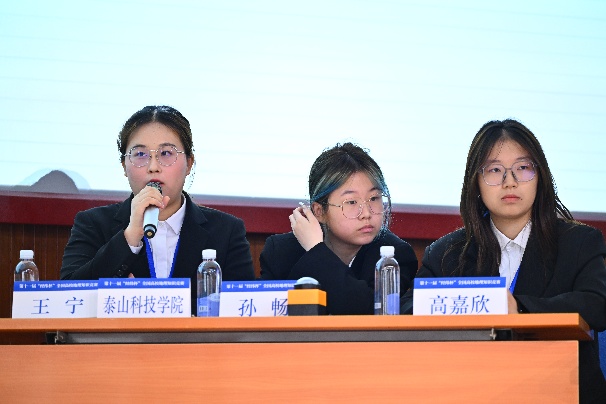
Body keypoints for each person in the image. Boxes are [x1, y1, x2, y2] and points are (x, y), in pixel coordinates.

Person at [401, 119, 606, 402]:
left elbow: (597, 304)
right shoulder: (446, 252)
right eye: (495, 170)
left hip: (560, 390)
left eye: (522, 168)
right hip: (472, 389)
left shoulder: (579, 242)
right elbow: (408, 310)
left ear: (540, 177)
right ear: (475, 182)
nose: (510, 181)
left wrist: (518, 308)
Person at [61, 105, 255, 312]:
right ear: (124, 166)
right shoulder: (92, 224)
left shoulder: (226, 231)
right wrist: (129, 238)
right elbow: (69, 299)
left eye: (166, 153)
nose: (153, 166)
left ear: (189, 163)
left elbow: (242, 310)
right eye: (140, 154)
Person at [260, 142, 418, 315]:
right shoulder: (281, 252)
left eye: (374, 198)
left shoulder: (394, 257)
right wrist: (316, 250)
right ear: (319, 211)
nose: (366, 213)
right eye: (351, 202)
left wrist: (316, 250)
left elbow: (368, 313)